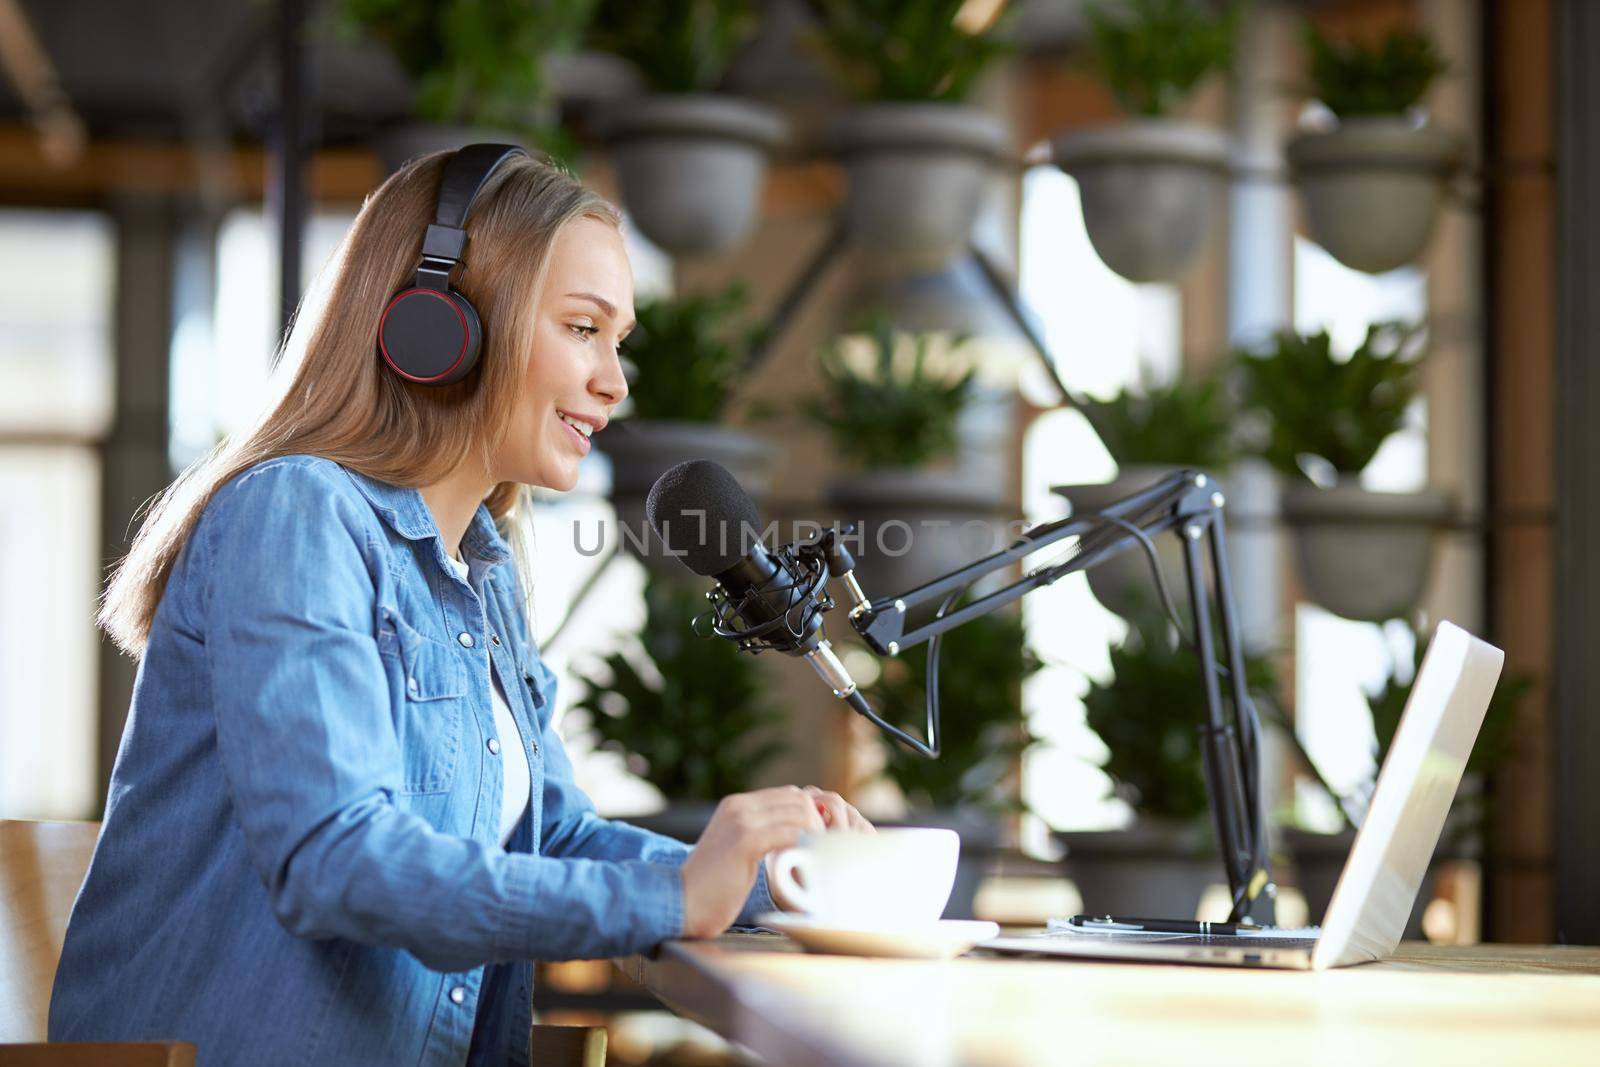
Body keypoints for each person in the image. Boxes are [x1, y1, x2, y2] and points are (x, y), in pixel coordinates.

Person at [49, 146, 872, 1067]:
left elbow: (552, 836)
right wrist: (676, 900)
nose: (615, 380)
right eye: (581, 327)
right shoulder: (296, 516)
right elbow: (338, 858)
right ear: (441, 324)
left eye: (618, 339)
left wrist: (781, 875)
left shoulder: (480, 573)